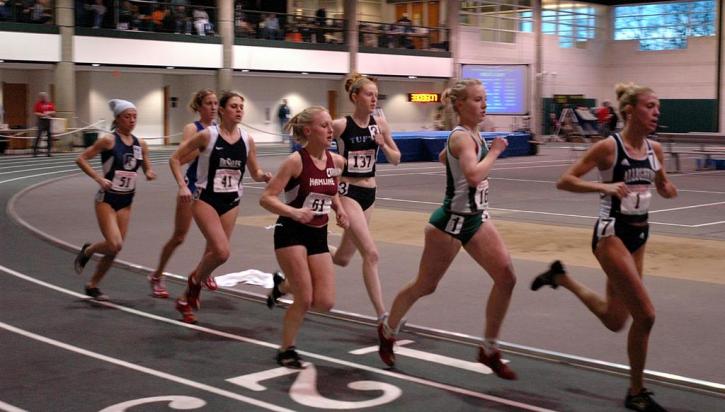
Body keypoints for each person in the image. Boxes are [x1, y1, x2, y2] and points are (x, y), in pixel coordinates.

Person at [531, 83, 677, 412]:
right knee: (647, 315)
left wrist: (667, 188)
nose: (656, 112)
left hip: (640, 235)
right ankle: (636, 392)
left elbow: (662, 184)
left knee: (615, 319)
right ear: (629, 111)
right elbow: (565, 179)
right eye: (650, 106)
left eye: (658, 107)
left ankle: (561, 278)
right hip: (611, 235)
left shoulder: (655, 150)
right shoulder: (608, 148)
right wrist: (604, 186)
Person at [377, 79, 518, 380]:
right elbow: (473, 174)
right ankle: (388, 331)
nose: (484, 105)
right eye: (477, 100)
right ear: (460, 105)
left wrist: (452, 156)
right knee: (425, 286)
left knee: (506, 277)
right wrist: (494, 152)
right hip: (449, 224)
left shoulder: (469, 135)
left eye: (485, 99)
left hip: (475, 219)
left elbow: (449, 157)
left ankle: (489, 349)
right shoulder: (464, 138)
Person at [170, 91, 271, 324]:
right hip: (205, 198)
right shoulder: (208, 136)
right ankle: (194, 282)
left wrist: (263, 176)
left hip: (232, 201)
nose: (238, 110)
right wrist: (182, 186)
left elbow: (254, 172)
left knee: (215, 254)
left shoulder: (247, 140)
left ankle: (186, 297)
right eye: (233, 106)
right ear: (223, 111)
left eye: (241, 107)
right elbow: (174, 159)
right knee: (223, 251)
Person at [260, 106, 349, 368]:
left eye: (331, 126)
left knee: (325, 301)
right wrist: (294, 212)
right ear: (308, 131)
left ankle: (282, 286)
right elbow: (267, 198)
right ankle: (286, 349)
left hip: (318, 234)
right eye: (324, 126)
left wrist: (340, 210)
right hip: (291, 231)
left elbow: (331, 190)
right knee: (306, 297)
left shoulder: (336, 162)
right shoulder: (295, 162)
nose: (330, 130)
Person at [329, 73, 401, 323]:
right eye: (369, 94)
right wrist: (335, 164)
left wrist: (383, 143)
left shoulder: (379, 124)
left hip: (370, 193)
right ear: (355, 96)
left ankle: (312, 248)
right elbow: (315, 147)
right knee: (371, 253)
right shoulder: (340, 125)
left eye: (375, 95)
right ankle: (383, 317)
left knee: (342, 258)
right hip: (348, 191)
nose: (373, 99)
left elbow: (396, 159)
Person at [73, 99, 156, 300]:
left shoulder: (140, 144)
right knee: (114, 243)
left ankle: (93, 285)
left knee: (114, 249)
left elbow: (146, 166)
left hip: (126, 202)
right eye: (127, 116)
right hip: (107, 200)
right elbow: (81, 159)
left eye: (134, 116)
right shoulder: (109, 140)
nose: (132, 120)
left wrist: (149, 172)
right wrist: (98, 178)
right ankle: (89, 249)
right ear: (117, 119)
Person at [148, 89, 218, 298]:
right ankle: (157, 275)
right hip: (193, 186)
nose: (213, 107)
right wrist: (203, 145)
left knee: (214, 239)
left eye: (215, 103)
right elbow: (182, 157)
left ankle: (203, 273)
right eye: (208, 103)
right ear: (199, 107)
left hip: (213, 188)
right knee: (179, 236)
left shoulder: (220, 128)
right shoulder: (192, 128)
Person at [33, 92, 55, 157]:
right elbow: (35, 113)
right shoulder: (38, 104)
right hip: (41, 121)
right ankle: (35, 151)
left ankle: (49, 152)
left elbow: (54, 112)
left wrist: (49, 113)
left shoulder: (50, 104)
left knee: (49, 137)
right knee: (38, 136)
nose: (45, 98)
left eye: (45, 97)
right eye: (43, 97)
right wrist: (42, 114)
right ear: (41, 98)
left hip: (48, 121)